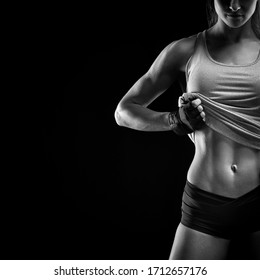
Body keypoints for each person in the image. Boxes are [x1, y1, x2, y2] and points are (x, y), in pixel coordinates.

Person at [114, 0, 260, 260]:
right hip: (206, 201)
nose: (235, 5)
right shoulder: (186, 50)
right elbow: (124, 111)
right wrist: (175, 120)